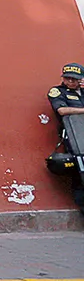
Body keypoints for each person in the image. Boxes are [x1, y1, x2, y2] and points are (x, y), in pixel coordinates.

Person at [47, 63, 84, 211]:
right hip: (75, 137)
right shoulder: (57, 91)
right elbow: (61, 110)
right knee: (80, 172)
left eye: (74, 79)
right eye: (67, 78)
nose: (70, 82)